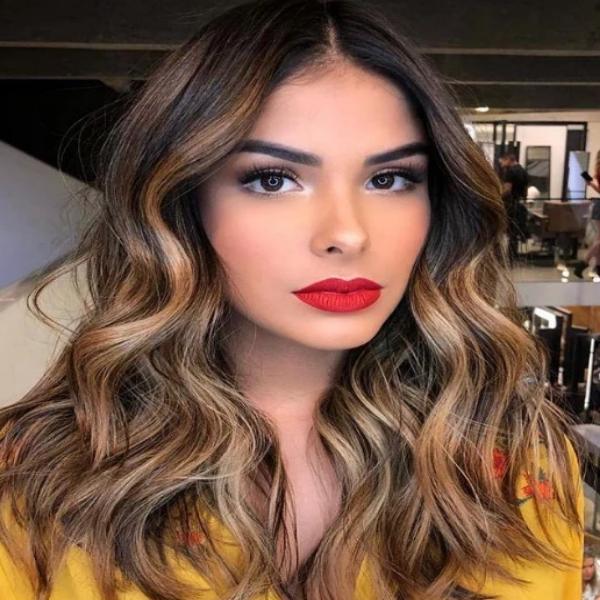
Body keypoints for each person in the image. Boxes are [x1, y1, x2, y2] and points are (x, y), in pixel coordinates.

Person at [0, 1, 584, 599]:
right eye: (273, 179)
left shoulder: (516, 464)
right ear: (181, 202)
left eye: (389, 179)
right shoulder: (38, 477)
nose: (347, 234)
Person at [499, 151, 529, 264]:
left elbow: (507, 190)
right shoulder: (523, 171)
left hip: (511, 204)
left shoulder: (510, 172)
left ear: (508, 159)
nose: (501, 163)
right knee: (515, 232)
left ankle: (508, 258)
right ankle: (513, 256)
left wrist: (496, 196)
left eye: (502, 161)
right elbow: (525, 190)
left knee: (508, 231)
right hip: (520, 204)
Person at [574, 150, 600, 278]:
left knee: (598, 240)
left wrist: (591, 184)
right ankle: (583, 263)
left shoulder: (598, 171)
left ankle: (598, 267)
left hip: (598, 205)